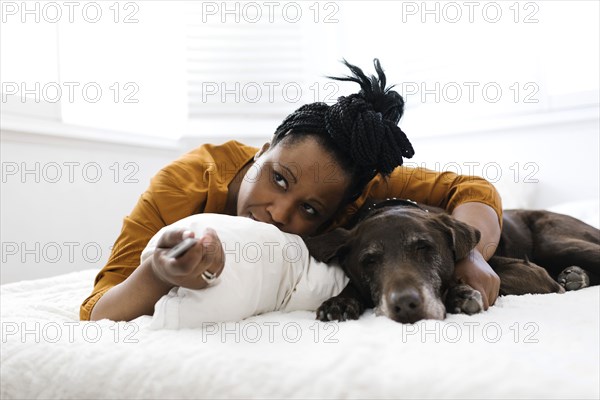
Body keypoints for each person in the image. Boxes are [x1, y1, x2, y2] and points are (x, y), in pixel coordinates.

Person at [82, 59, 502, 322]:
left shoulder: (356, 186)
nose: (279, 213)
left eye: (311, 210)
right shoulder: (184, 184)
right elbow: (99, 311)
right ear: (263, 152)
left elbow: (472, 188)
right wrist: (158, 271)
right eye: (278, 178)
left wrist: (469, 255)